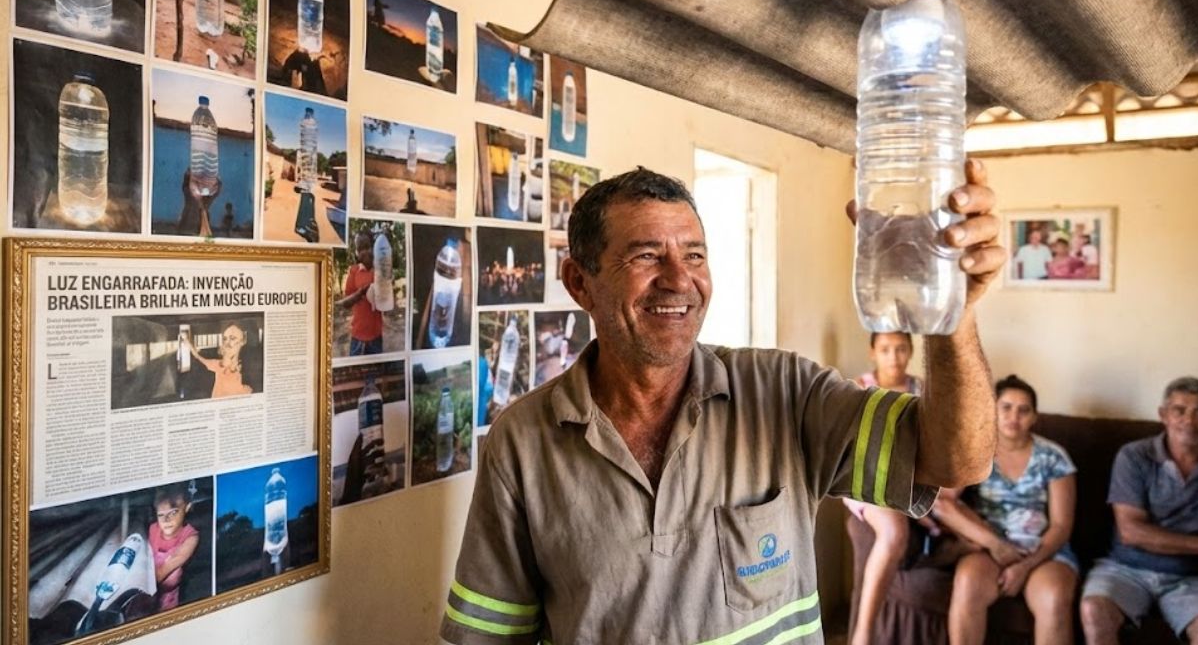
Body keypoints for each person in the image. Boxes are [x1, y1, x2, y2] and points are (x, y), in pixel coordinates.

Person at [441, 163, 1005, 644]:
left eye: (694, 255)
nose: (679, 281)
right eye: (645, 256)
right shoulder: (523, 440)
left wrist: (950, 316)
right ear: (580, 283)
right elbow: (488, 635)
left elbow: (958, 460)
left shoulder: (783, 391)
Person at [935, 375, 1078, 645]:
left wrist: (1025, 566)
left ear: (1034, 417)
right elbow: (944, 503)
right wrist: (995, 544)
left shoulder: (1054, 457)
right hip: (991, 550)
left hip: (1043, 553)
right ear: (992, 410)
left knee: (1055, 597)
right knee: (967, 584)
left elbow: (1061, 526)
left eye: (1024, 410)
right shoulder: (976, 452)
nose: (1015, 416)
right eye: (1006, 407)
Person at [1079, 376, 1198, 644]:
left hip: (1191, 577)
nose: (1189, 421)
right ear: (1164, 415)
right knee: (1094, 610)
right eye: (1180, 410)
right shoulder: (1134, 456)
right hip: (1125, 568)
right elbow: (1132, 532)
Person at [845, 331, 941, 645]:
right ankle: (864, 633)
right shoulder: (857, 389)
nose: (894, 357)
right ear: (873, 352)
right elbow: (850, 451)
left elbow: (932, 447)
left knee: (946, 510)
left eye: (901, 349)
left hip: (912, 480)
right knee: (894, 532)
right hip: (864, 481)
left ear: (911, 350)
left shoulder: (923, 390)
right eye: (885, 350)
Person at [147, 483, 199, 611]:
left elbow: (162, 572)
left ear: (187, 507)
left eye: (173, 512)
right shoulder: (153, 529)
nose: (166, 520)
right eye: (161, 515)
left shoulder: (190, 537)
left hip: (167, 599)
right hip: (145, 596)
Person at [339, 231, 384, 356]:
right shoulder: (354, 271)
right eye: (360, 249)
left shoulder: (380, 271)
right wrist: (360, 293)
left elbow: (387, 303)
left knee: (373, 373)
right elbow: (346, 303)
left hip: (376, 336)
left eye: (367, 247)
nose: (364, 252)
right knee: (355, 372)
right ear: (356, 253)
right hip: (357, 336)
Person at [186, 322, 253, 397]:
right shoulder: (216, 364)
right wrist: (188, 343)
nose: (227, 342)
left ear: (242, 341)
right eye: (225, 339)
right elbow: (198, 357)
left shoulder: (248, 368)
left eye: (232, 338)